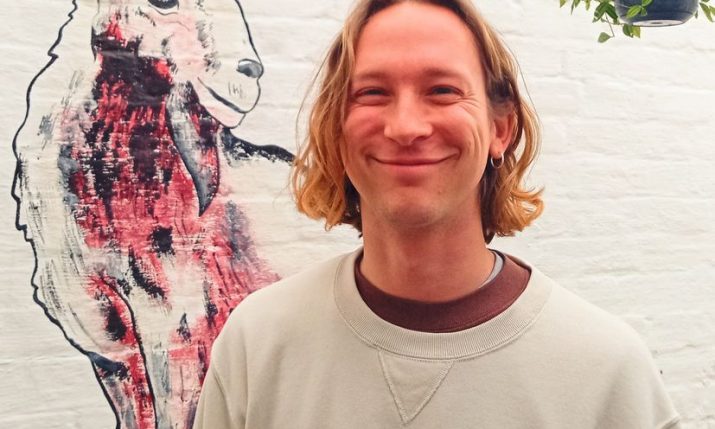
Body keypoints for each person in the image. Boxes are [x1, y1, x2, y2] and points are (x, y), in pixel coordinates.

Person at [193, 1, 680, 428]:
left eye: (443, 90)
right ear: (337, 130)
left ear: (501, 129)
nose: (405, 127)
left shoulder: (607, 372)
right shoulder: (258, 344)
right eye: (372, 93)